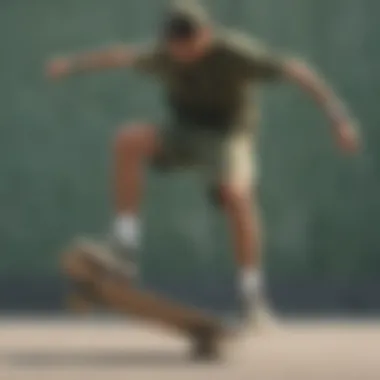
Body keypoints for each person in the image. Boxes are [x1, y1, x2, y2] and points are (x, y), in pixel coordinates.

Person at [47, 0, 359, 326]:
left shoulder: (235, 52)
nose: (184, 53)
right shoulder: (163, 54)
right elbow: (119, 56)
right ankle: (124, 247)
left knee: (238, 196)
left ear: (206, 34)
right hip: (184, 133)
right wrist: (71, 64)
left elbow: (296, 70)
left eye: (191, 44)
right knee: (128, 139)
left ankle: (251, 295)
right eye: (176, 45)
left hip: (229, 137)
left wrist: (338, 117)